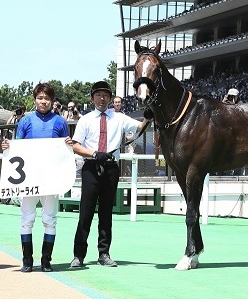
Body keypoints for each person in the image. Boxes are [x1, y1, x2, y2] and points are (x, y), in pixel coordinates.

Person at [70, 81, 153, 268]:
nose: (102, 98)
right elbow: (75, 145)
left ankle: (104, 253)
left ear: (110, 98)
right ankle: (78, 255)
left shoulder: (120, 118)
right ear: (92, 98)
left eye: (105, 95)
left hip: (110, 168)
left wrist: (148, 117)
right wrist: (93, 153)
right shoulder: (85, 119)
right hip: (91, 167)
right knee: (86, 212)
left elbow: (139, 128)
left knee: (106, 212)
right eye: (98, 95)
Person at [1, 82, 72, 273]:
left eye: (47, 98)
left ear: (52, 101)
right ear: (35, 100)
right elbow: (18, 147)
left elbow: (66, 150)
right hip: (30, 178)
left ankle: (46, 260)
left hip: (51, 178)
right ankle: (27, 260)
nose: (43, 101)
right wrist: (8, 147)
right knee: (27, 218)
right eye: (40, 98)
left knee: (50, 219)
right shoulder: (25, 121)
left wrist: (68, 144)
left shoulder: (60, 122)